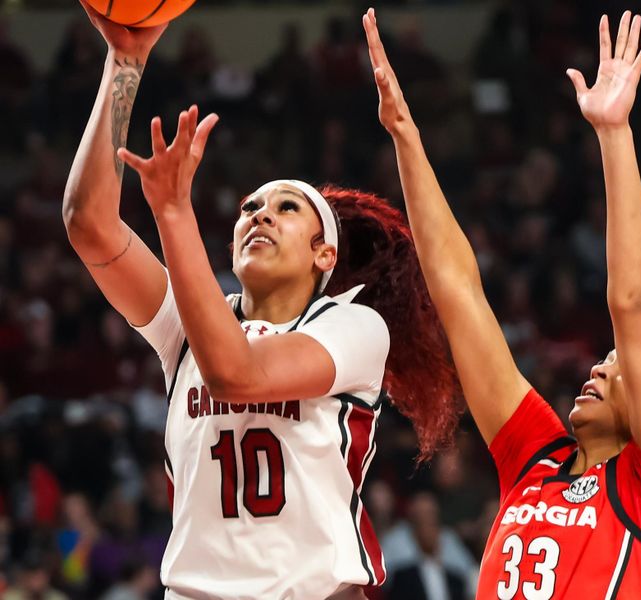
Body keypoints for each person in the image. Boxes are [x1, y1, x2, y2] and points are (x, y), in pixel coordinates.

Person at [363, 8, 641, 598]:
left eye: (621, 369)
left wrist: (615, 135)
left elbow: (634, 302)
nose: (599, 367)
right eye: (610, 363)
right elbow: (457, 292)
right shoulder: (533, 457)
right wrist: (406, 138)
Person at [62, 2, 460, 598]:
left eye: (286, 208)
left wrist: (173, 212)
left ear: (325, 255)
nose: (260, 215)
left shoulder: (353, 328)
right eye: (249, 207)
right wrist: (124, 63)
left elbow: (236, 376)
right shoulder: (192, 326)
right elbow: (89, 224)